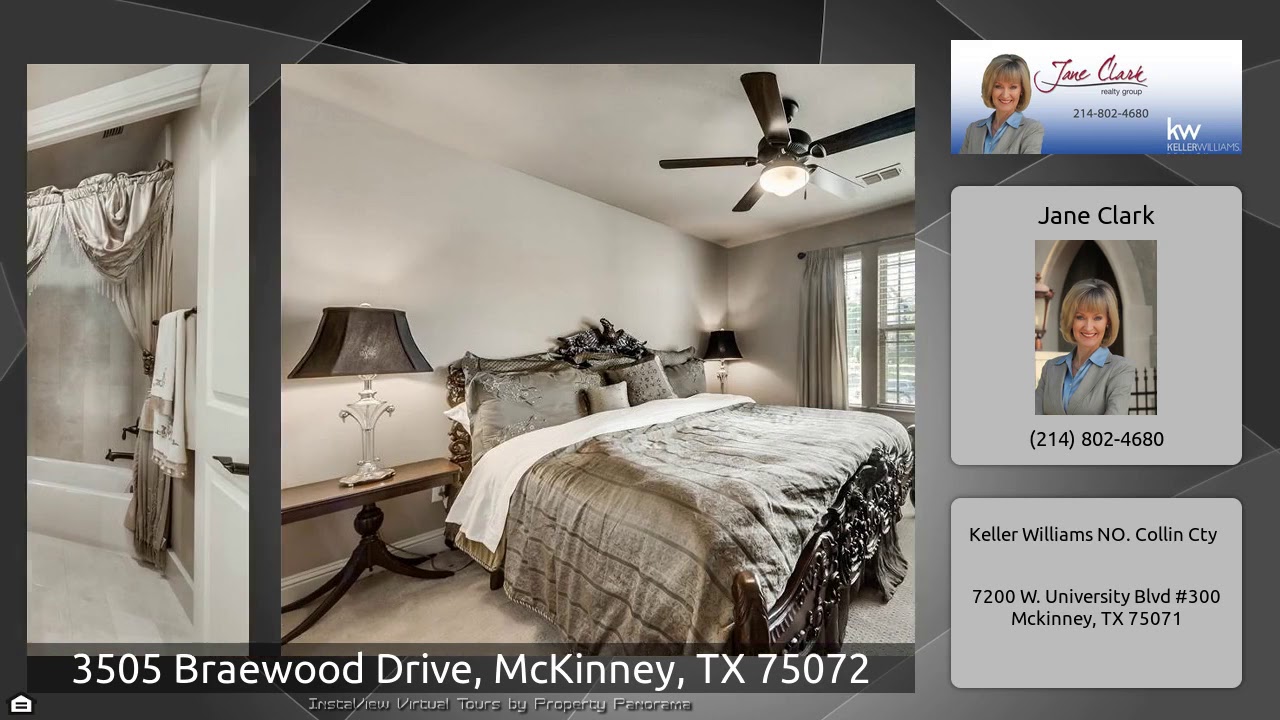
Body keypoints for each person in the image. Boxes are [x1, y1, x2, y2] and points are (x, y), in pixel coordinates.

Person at [1035, 278, 1134, 415]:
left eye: (1097, 318)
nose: (1088, 327)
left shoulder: (1120, 369)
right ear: (1071, 320)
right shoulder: (1050, 368)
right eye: (1080, 317)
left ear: (1108, 321)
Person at [960, 54, 1044, 154]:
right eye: (998, 86)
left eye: (1013, 87)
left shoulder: (1031, 129)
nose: (1005, 95)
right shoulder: (973, 129)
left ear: (1022, 90)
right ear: (990, 89)